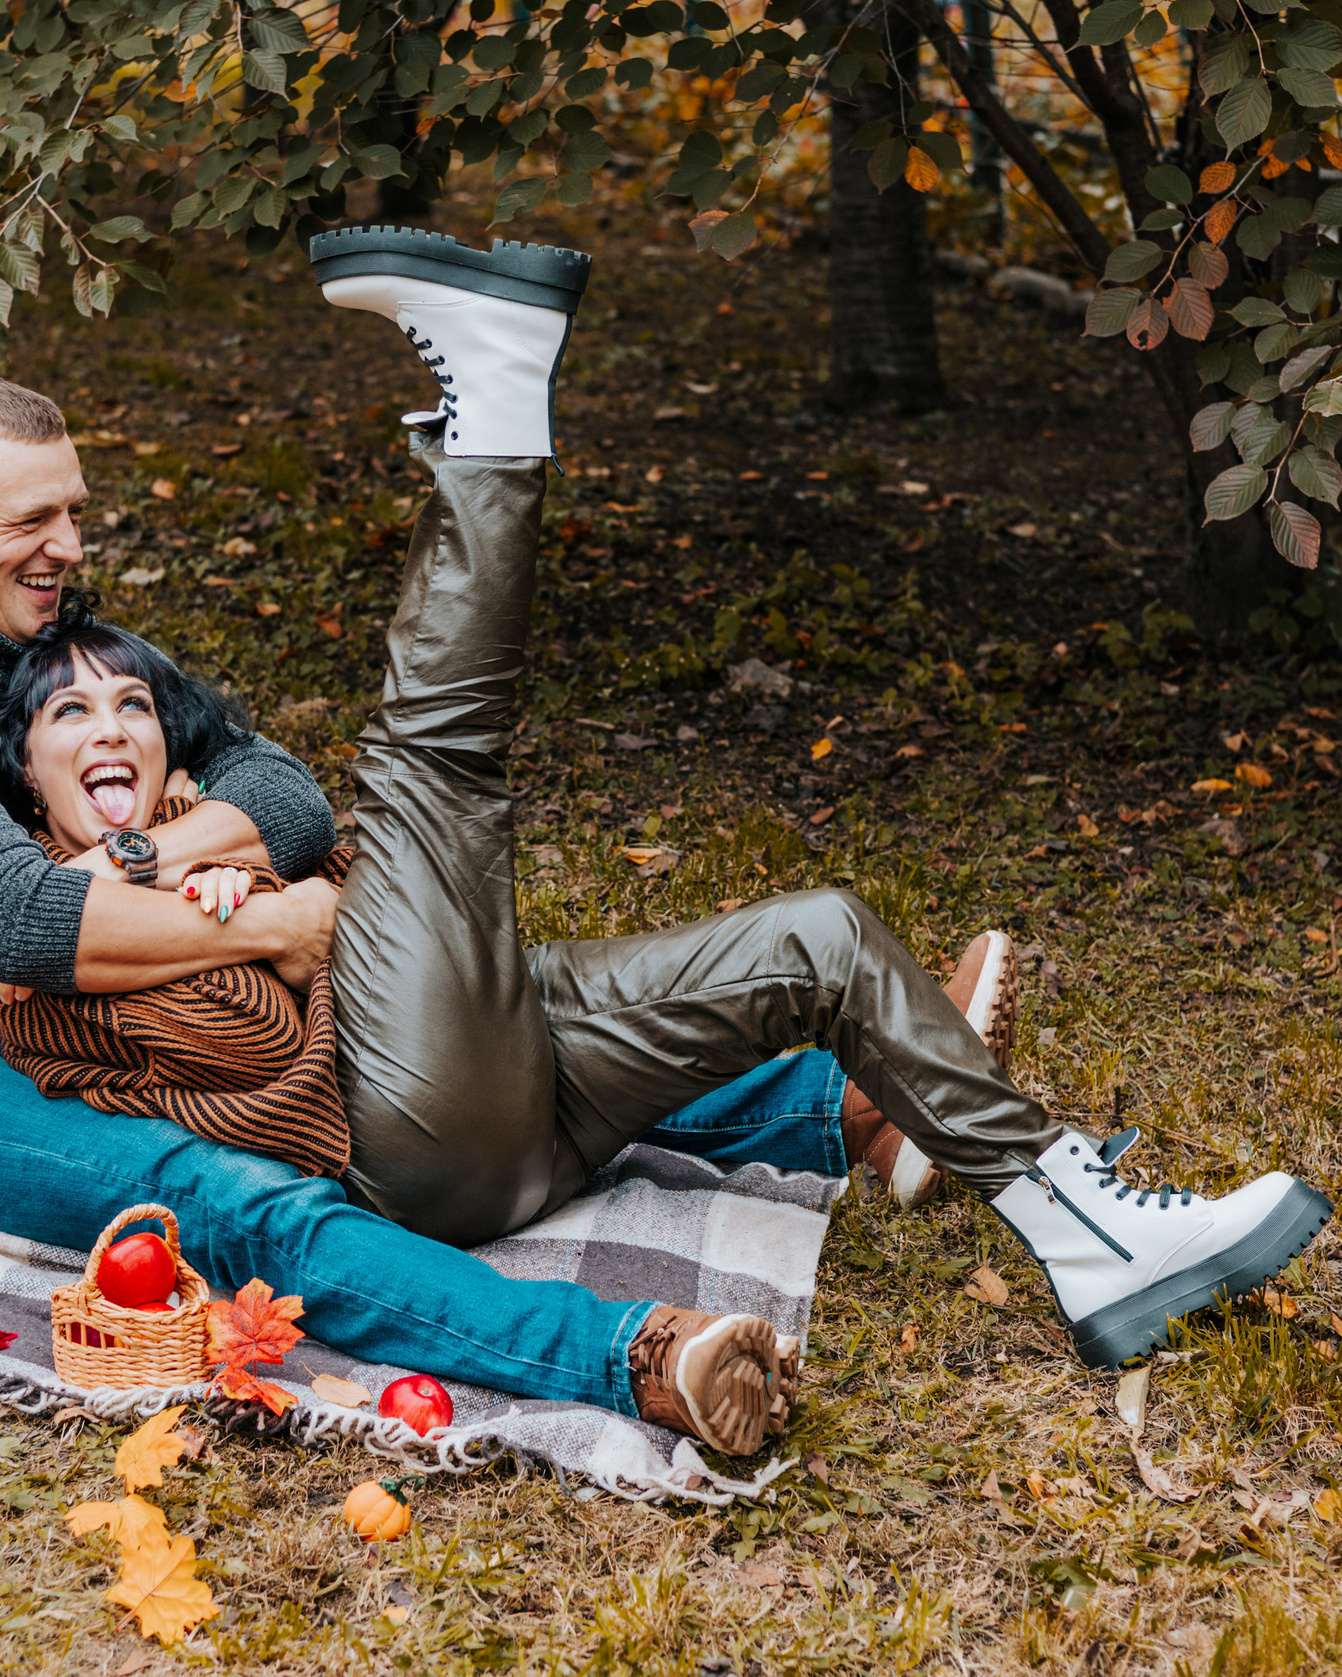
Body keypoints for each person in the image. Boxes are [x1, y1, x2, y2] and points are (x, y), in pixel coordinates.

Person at [0, 231, 1329, 1454]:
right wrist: (277, 916)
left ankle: (1081, 1232)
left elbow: (276, 790)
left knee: (820, 937)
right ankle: (495, 398)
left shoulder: (74, 649)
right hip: (364, 1135)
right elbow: (31, 930)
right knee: (423, 769)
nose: (72, 546)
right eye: (32, 523)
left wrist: (166, 860)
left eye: (73, 511)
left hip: (444, 1084)